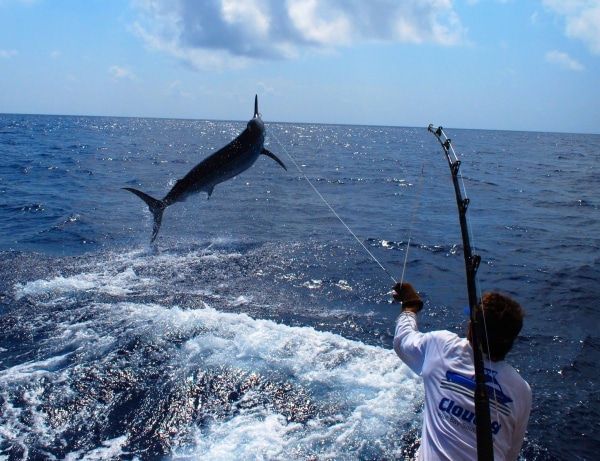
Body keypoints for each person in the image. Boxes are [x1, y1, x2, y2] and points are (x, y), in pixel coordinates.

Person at [392, 282, 531, 461]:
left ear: (471, 328)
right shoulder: (522, 390)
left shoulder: (441, 346)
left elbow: (402, 339)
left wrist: (410, 306)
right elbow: (511, 455)